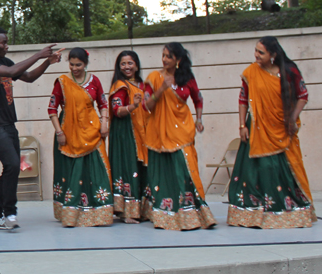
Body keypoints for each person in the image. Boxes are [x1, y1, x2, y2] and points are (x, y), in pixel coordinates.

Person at [0, 26, 63, 230]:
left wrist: (46, 62)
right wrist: (39, 53)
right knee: (13, 165)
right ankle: (10, 213)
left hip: (8, 123)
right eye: (2, 43)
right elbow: (14, 72)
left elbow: (29, 77)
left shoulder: (4, 62)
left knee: (11, 167)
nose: (6, 46)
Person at [227, 36, 316, 229]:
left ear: (273, 55)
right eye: (256, 51)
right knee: (257, 170)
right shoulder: (251, 72)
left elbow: (303, 96)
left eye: (261, 52)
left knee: (282, 169)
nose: (256, 55)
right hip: (256, 129)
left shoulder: (289, 72)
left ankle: (287, 210)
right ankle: (254, 212)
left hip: (282, 128)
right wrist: (242, 125)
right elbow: (243, 99)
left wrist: (292, 117)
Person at [143, 42, 216, 230]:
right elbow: (147, 106)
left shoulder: (186, 77)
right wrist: (161, 90)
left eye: (169, 56)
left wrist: (199, 119)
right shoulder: (154, 78)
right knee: (165, 170)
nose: (164, 59)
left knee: (186, 168)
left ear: (178, 60)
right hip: (160, 130)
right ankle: (165, 212)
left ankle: (193, 211)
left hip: (182, 129)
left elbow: (198, 98)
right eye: (163, 55)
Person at [48, 47, 114, 227]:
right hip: (68, 133)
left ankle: (100, 212)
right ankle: (71, 214)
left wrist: (105, 123)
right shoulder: (62, 81)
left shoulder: (94, 81)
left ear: (85, 64)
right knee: (73, 171)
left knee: (98, 169)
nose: (75, 68)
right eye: (72, 64)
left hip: (93, 131)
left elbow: (102, 103)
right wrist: (59, 132)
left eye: (79, 65)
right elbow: (52, 109)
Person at [108, 51, 148, 224]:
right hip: (125, 133)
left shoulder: (143, 85)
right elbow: (117, 111)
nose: (127, 67)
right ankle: (127, 212)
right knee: (128, 167)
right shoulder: (120, 85)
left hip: (143, 133)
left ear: (137, 65)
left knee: (142, 169)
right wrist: (133, 106)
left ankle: (143, 210)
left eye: (130, 63)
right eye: (123, 64)